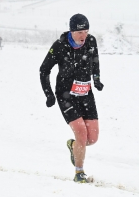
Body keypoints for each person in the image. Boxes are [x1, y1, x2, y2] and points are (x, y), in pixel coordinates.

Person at [39, 13, 104, 183]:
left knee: (92, 138)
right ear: (72, 31)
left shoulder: (91, 41)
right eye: (80, 32)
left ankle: (73, 146)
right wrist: (49, 94)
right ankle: (79, 172)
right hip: (65, 94)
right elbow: (44, 70)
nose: (84, 36)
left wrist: (96, 79)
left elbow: (95, 60)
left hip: (85, 93)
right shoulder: (60, 46)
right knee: (81, 133)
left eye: (86, 32)